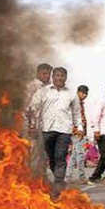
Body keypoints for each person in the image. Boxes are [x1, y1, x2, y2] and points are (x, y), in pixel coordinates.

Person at [28, 67, 81, 198]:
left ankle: (57, 185)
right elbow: (32, 108)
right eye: (57, 75)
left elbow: (76, 113)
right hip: (46, 130)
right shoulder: (43, 92)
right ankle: (58, 180)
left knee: (60, 157)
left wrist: (79, 127)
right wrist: (32, 125)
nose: (59, 78)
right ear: (53, 77)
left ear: (65, 78)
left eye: (62, 76)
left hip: (64, 130)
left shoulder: (71, 94)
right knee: (50, 158)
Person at [24, 63, 52, 177]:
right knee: (33, 153)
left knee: (44, 154)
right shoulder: (32, 86)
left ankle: (41, 179)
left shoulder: (49, 87)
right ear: (38, 73)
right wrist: (31, 126)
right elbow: (28, 108)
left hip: (45, 125)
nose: (47, 76)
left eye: (49, 74)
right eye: (44, 73)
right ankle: (30, 180)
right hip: (33, 125)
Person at [65, 85, 89, 183]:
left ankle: (67, 176)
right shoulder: (74, 102)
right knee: (80, 154)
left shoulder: (80, 103)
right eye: (83, 93)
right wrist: (75, 129)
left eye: (86, 94)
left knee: (74, 155)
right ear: (79, 92)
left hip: (80, 132)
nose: (84, 95)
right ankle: (82, 177)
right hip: (76, 132)